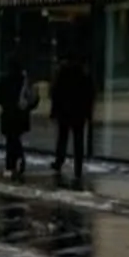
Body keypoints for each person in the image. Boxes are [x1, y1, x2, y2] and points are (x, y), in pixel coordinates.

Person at [48, 54, 95, 189]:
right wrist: (88, 113)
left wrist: (54, 111)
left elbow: (55, 93)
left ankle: (59, 161)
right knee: (78, 141)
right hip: (78, 112)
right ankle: (77, 167)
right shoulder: (83, 74)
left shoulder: (63, 73)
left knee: (62, 138)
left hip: (65, 111)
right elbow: (90, 94)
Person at [0, 61, 34, 179]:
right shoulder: (24, 81)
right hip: (20, 115)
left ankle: (12, 162)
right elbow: (33, 99)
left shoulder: (5, 80)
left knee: (10, 140)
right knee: (15, 137)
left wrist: (5, 104)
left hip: (9, 114)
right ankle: (16, 160)